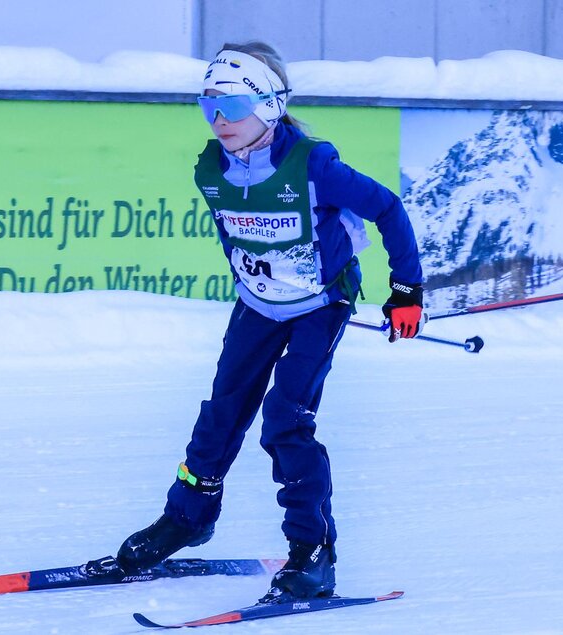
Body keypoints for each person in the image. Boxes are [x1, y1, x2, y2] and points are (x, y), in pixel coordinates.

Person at [105, 41, 424, 603]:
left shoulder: (314, 165)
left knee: (284, 420)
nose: (219, 120)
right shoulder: (212, 168)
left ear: (270, 106)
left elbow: (388, 209)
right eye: (208, 108)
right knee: (221, 411)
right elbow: (238, 233)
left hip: (319, 306)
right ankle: (187, 517)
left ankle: (312, 552)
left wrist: (406, 291)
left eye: (230, 106)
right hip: (258, 303)